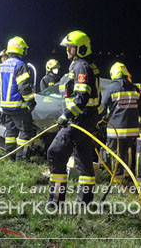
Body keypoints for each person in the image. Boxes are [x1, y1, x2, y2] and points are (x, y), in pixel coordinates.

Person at [47, 30, 101, 204]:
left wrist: (66, 115)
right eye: (68, 47)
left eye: (71, 47)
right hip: (87, 119)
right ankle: (85, 200)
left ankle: (56, 200)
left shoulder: (81, 66)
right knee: (83, 157)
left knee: (55, 152)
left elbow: (82, 97)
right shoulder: (85, 65)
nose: (68, 50)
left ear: (82, 48)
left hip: (78, 120)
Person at [100, 62, 141, 180]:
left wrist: (100, 120)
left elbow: (102, 108)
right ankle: (127, 176)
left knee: (115, 155)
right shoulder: (135, 89)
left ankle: (118, 181)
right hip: (132, 131)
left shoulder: (110, 88)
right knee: (127, 153)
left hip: (115, 130)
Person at [0, 37, 36, 161]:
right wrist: (31, 101)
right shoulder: (20, 65)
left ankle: (10, 155)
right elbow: (24, 86)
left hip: (6, 106)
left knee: (10, 132)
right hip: (19, 106)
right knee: (26, 132)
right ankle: (22, 159)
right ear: (21, 49)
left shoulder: (3, 65)